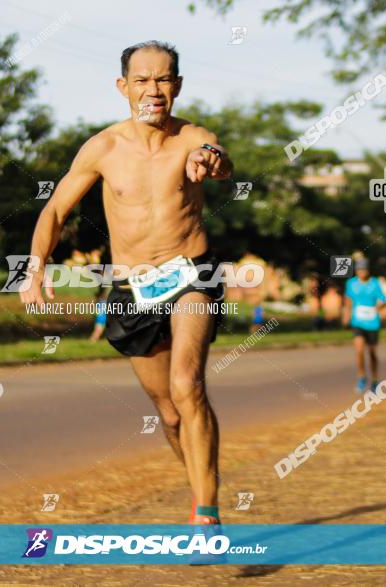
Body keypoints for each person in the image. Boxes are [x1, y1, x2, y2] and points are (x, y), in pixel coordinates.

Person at [19, 41, 233, 526]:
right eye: (142, 80)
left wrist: (212, 162)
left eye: (162, 79)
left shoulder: (192, 138)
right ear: (123, 86)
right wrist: (36, 266)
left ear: (177, 86)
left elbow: (218, 158)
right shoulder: (103, 148)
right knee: (171, 412)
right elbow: (55, 208)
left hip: (190, 275)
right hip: (133, 289)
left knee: (187, 384)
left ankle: (206, 514)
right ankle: (200, 477)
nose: (152, 90)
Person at [342, 258, 386, 393]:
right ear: (356, 271)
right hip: (358, 321)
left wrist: (378, 308)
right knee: (359, 349)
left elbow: (384, 299)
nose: (362, 272)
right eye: (359, 270)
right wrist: (346, 315)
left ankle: (374, 380)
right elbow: (348, 300)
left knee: (372, 353)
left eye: (364, 270)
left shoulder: (374, 283)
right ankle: (361, 377)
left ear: (368, 271)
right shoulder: (351, 283)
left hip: (372, 322)